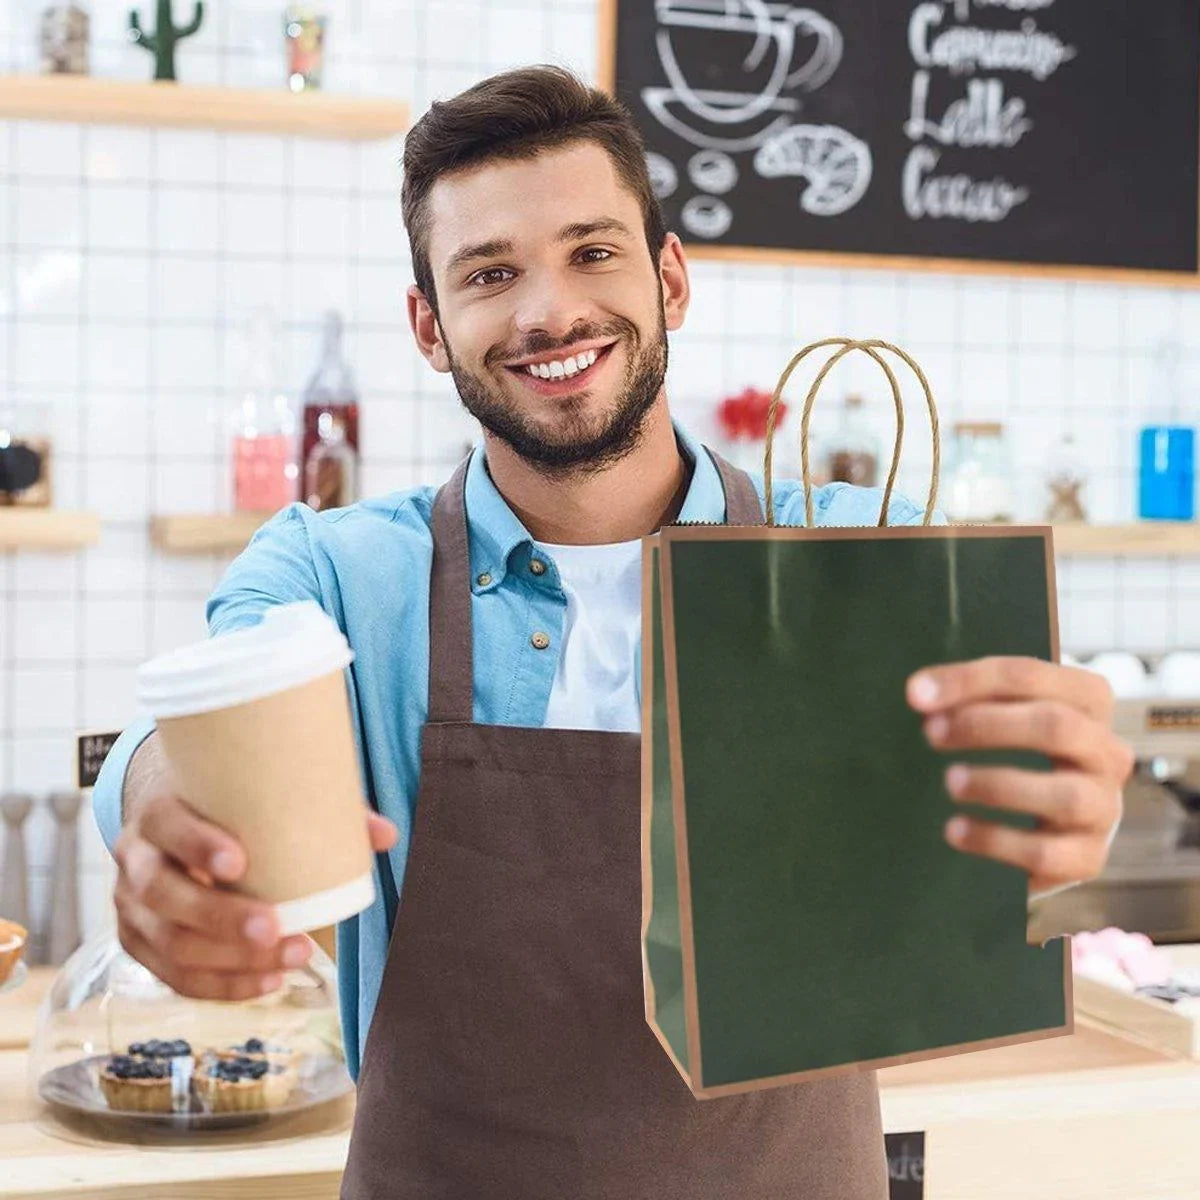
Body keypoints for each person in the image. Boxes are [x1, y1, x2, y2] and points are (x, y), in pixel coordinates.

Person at [93, 66, 1132, 1197]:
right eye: (491, 274)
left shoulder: (849, 556)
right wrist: (162, 816)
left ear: (670, 278)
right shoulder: (338, 572)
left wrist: (1053, 790)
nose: (549, 312)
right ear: (428, 327)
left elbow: (997, 786)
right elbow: (192, 723)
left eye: (593, 251)